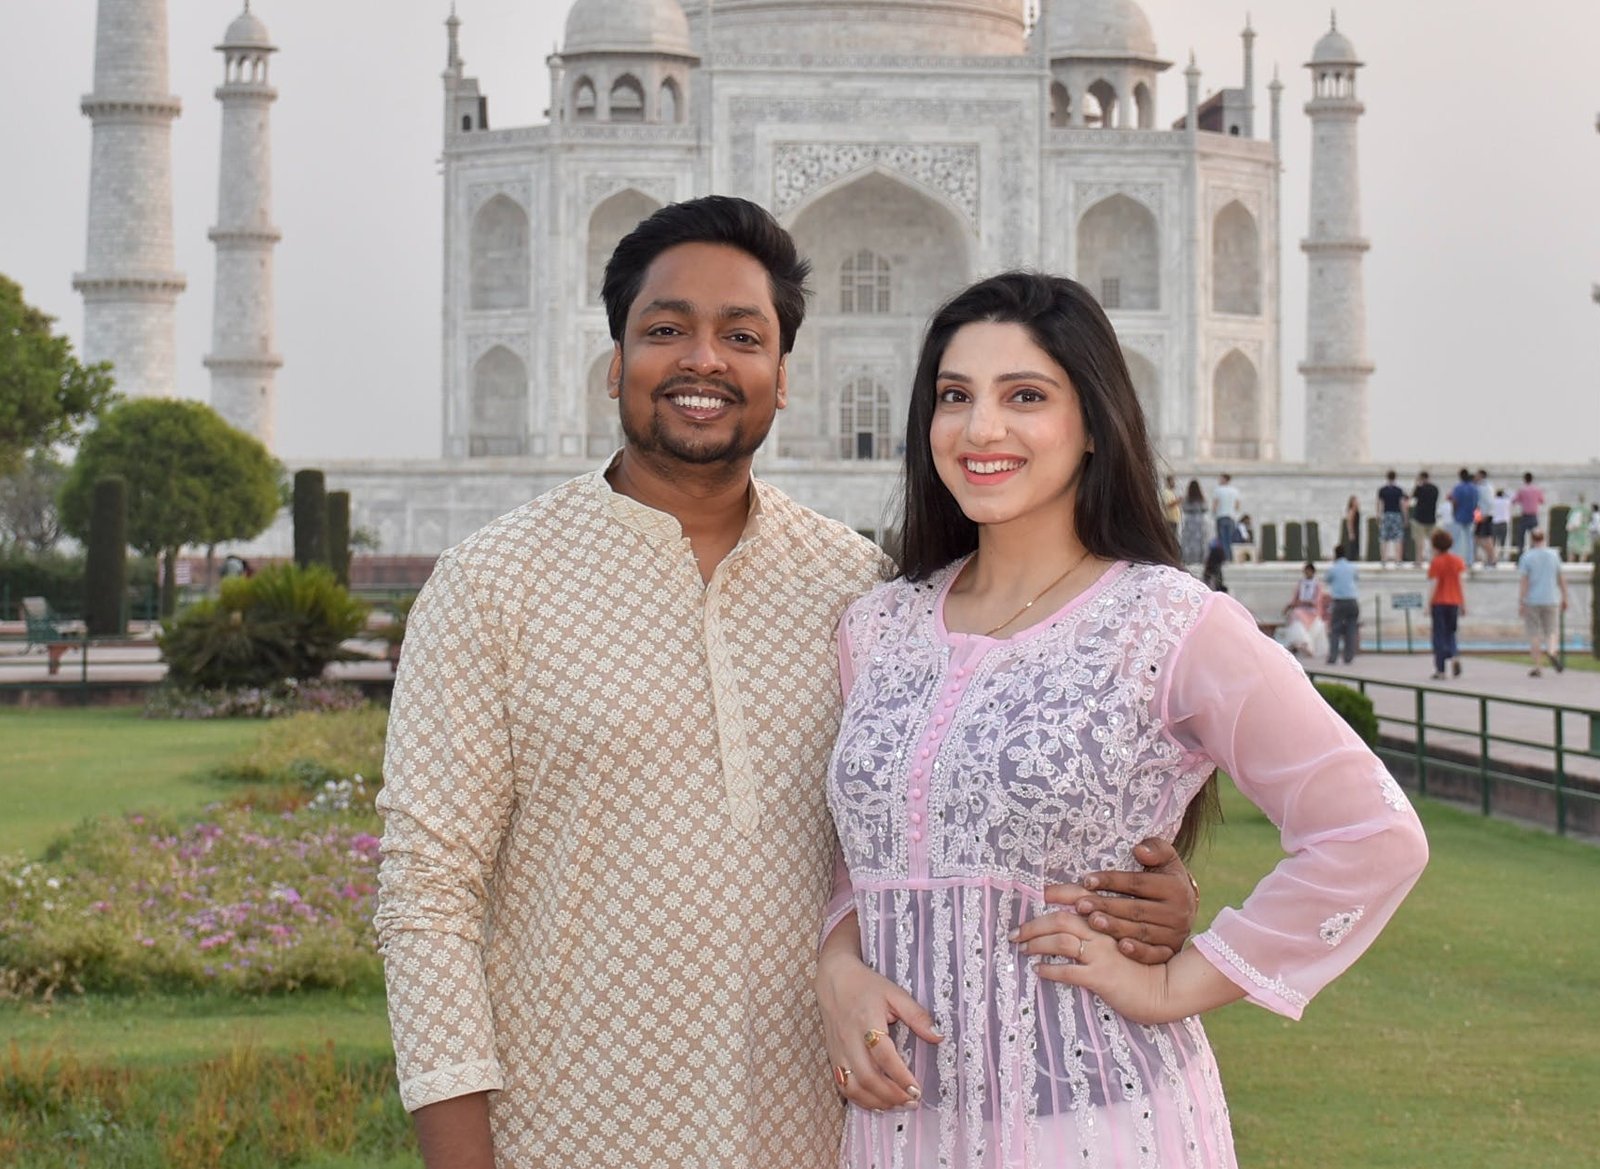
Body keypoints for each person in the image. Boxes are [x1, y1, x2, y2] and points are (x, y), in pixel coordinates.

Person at [374, 198, 1195, 1169]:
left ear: (783, 376)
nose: (703, 360)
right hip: (565, 1131)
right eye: (665, 330)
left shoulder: (860, 594)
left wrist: (1147, 893)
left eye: (741, 336)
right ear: (613, 364)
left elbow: (972, 804)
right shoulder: (493, 584)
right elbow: (425, 893)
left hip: (833, 1129)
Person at [813, 273, 1427, 1169]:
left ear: (1093, 421)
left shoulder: (1166, 624)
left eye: (1026, 396)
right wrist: (838, 962)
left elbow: (1369, 832)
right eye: (956, 397)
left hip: (1098, 1122)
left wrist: (1178, 981)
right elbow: (867, 842)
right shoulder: (880, 626)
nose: (982, 429)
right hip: (901, 1127)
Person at [1518, 529, 1568, 676]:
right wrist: (1565, 596)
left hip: (1532, 599)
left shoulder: (1527, 557)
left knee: (1534, 633)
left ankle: (1538, 666)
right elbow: (1561, 578)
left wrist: (1521, 601)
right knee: (1551, 630)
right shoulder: (1554, 555)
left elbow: (1524, 582)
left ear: (1532, 540)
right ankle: (1552, 651)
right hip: (1551, 597)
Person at [1426, 529, 1466, 680]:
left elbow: (1434, 584)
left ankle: (1440, 669)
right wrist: (1463, 603)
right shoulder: (1457, 561)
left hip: (1439, 602)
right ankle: (1454, 655)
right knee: (1451, 632)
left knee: (1438, 635)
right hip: (1454, 601)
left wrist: (1428, 603)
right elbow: (1461, 583)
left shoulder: (1436, 562)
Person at [1277, 561, 1328, 660]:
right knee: (1295, 615)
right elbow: (1295, 598)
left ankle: (1305, 643)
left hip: (1312, 611)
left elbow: (1316, 600)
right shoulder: (1301, 583)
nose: (1306, 573)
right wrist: (1289, 606)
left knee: (1297, 614)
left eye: (1308, 571)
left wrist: (1304, 603)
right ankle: (1299, 642)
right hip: (1300, 609)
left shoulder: (1317, 585)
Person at [1324, 542, 1361, 664]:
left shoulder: (1333, 569)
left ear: (1335, 555)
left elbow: (1327, 580)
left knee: (1335, 630)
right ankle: (1348, 657)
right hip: (1352, 601)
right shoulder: (1351, 567)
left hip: (1339, 602)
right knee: (1351, 629)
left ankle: (1333, 656)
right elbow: (1356, 578)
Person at [1447, 469, 1479, 570]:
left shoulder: (1458, 488)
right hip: (1470, 516)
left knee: (1455, 539)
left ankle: (1454, 560)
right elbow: (1477, 504)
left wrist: (1453, 512)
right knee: (1469, 540)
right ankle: (1470, 561)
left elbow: (1455, 501)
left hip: (1459, 516)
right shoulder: (1474, 488)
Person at [1376, 470, 1407, 567]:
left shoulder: (1382, 490)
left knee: (1384, 538)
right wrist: (1405, 517)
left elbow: (1380, 504)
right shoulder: (1399, 490)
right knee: (1398, 537)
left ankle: (1383, 559)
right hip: (1397, 515)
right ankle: (1398, 560)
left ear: (1387, 477)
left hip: (1386, 514)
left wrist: (1378, 515)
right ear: (1395, 477)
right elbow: (1402, 504)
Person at [1409, 470, 1439, 566]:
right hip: (1431, 518)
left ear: (1421, 478)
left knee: (1419, 541)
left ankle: (1419, 560)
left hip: (1419, 518)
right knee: (1433, 542)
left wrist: (1417, 484)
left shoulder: (1419, 488)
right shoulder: (1435, 488)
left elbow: (1411, 497)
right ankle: (1434, 559)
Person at [1512, 472, 1544, 556]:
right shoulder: (1537, 490)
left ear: (1524, 479)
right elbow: (1542, 501)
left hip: (1525, 516)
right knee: (1535, 537)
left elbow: (1514, 501)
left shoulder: (1522, 490)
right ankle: (1534, 555)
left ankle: (1521, 556)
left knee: (1521, 537)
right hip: (1534, 516)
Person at [1212, 472, 1241, 560]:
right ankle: (1229, 557)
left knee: (1221, 538)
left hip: (1221, 516)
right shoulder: (1235, 491)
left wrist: (1213, 513)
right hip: (1231, 517)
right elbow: (1237, 505)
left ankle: (1223, 557)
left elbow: (1215, 504)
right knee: (1229, 539)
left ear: (1225, 479)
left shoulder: (1218, 490)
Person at [1179, 478, 1208, 565]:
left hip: (1190, 520)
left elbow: (1184, 508)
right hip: (1199, 520)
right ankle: (1199, 558)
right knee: (1199, 540)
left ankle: (1188, 558)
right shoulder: (1201, 498)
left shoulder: (1187, 498)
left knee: (1188, 540)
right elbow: (1205, 508)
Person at [1473, 469, 1497, 568]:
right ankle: (1489, 557)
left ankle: (1492, 558)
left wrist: (1484, 515)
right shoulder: (1486, 486)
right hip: (1480, 514)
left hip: (1484, 514)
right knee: (1478, 537)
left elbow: (1488, 502)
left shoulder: (1484, 488)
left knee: (1485, 538)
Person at [1567, 496, 1594, 563]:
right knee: (1583, 551)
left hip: (1574, 531)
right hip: (1584, 531)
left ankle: (1570, 564)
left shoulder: (1574, 508)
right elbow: (1590, 519)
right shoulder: (1587, 509)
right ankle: (1582, 564)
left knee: (1572, 550)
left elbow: (1568, 518)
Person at [1339, 494, 1361, 561]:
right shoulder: (1351, 511)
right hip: (1353, 530)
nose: (1357, 502)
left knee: (1356, 546)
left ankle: (1355, 558)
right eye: (1355, 501)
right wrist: (1351, 533)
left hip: (1356, 530)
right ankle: (1351, 558)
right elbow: (1349, 522)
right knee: (1352, 546)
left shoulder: (1356, 510)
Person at [1161, 473, 1181, 545]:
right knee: (1171, 538)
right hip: (1170, 519)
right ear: (1168, 482)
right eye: (1173, 482)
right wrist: (1178, 501)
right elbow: (1168, 504)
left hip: (1174, 519)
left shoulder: (1171, 492)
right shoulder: (1166, 492)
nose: (1174, 483)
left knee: (1173, 538)